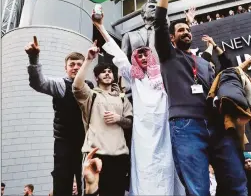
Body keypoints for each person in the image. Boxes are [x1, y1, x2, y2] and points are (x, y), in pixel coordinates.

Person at [154, 0, 247, 196]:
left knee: (237, 183)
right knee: (198, 190)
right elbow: (159, 23)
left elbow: (228, 75)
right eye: (181, 30)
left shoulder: (205, 64)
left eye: (188, 29)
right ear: (171, 38)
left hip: (217, 124)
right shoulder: (169, 56)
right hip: (186, 126)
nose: (186, 32)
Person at [91, 12, 184, 195]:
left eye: (145, 54)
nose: (142, 57)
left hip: (164, 129)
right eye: (139, 55)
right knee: (144, 170)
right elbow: (118, 54)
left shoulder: (163, 75)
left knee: (166, 167)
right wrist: (100, 27)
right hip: (143, 133)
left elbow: (175, 51)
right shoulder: (134, 78)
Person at [25, 36, 92, 196]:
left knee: (86, 183)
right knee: (63, 183)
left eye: (79, 65)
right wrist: (33, 59)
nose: (75, 67)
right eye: (72, 65)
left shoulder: (90, 87)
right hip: (64, 144)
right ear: (66, 68)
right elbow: (38, 83)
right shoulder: (61, 85)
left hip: (86, 143)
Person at [72, 43, 133, 196]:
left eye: (109, 71)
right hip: (96, 154)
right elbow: (77, 86)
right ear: (96, 77)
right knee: (94, 193)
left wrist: (119, 118)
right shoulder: (91, 95)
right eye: (103, 72)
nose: (107, 73)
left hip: (119, 156)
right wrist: (88, 59)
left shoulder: (122, 98)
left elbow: (130, 123)